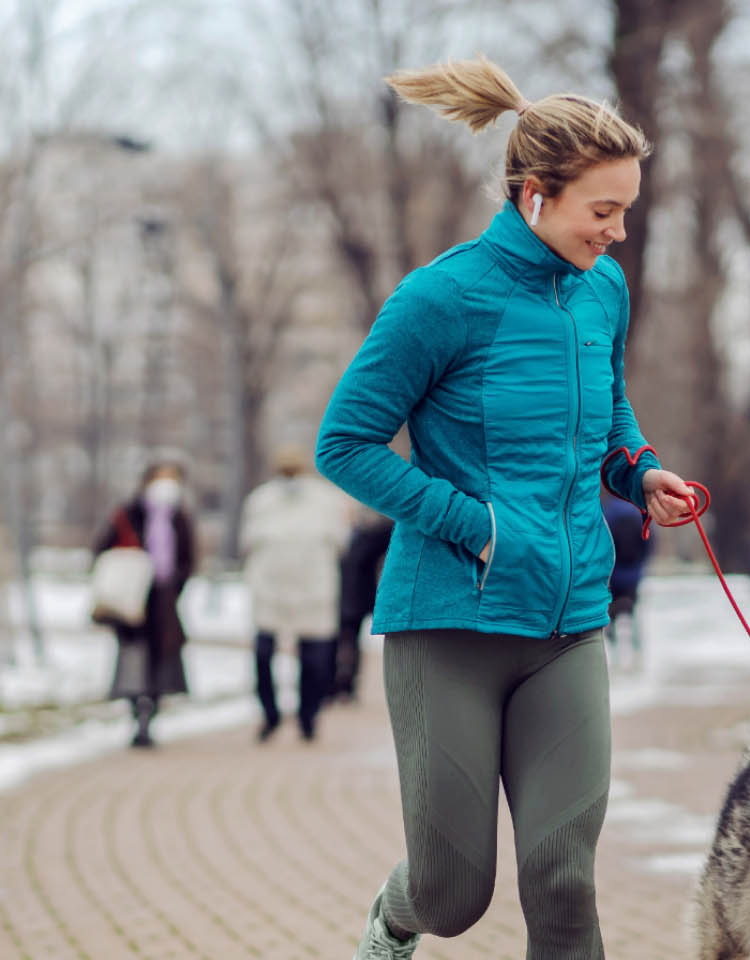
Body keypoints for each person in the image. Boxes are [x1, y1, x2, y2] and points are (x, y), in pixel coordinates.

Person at [314, 56, 697, 960]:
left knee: (564, 881)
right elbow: (347, 444)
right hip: (450, 620)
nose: (619, 233)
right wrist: (475, 525)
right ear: (534, 194)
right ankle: (394, 918)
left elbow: (604, 406)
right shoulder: (442, 297)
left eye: (627, 211)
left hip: (569, 621)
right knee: (454, 894)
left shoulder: (602, 289)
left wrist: (636, 469)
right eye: (602, 211)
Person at [240, 446, 350, 742]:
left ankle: (308, 716)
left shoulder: (326, 499)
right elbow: (248, 542)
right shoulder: (261, 500)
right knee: (264, 654)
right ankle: (270, 714)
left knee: (314, 659)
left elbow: (340, 541)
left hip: (313, 587)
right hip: (270, 588)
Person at [93, 462, 195, 748]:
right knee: (133, 658)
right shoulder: (129, 513)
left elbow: (188, 558)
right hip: (133, 598)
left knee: (162, 657)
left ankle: (151, 712)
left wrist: (175, 586)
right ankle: (137, 714)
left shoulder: (179, 516)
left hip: (165, 597)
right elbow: (102, 549)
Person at [334, 507, 394, 702]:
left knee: (350, 639)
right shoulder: (345, 537)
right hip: (337, 595)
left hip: (356, 597)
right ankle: (337, 683)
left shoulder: (372, 534)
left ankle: (347, 684)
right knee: (338, 640)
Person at [601, 490, 652, 672]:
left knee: (611, 616)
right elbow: (649, 542)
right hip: (633, 574)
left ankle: (614, 655)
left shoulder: (609, 512)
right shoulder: (639, 512)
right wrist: (641, 565)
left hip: (612, 576)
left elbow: (602, 543)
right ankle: (637, 653)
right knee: (634, 613)